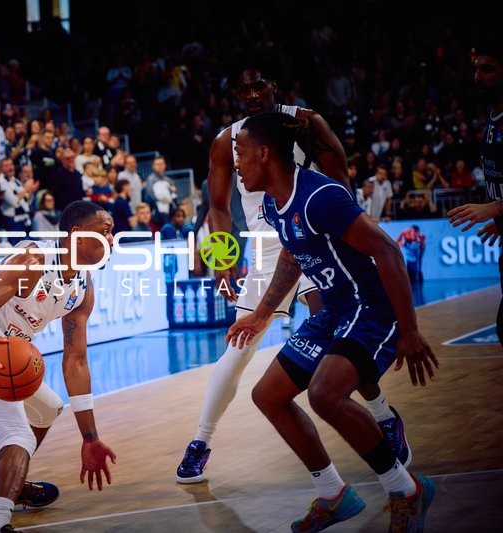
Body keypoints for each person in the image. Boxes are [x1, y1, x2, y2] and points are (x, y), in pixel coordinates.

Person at [176, 68, 411, 486]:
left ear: (274, 88)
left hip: (315, 236)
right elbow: (217, 207)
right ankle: (200, 440)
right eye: (242, 88)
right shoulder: (226, 140)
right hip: (270, 251)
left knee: (340, 333)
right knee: (237, 348)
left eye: (257, 86)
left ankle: (382, 416)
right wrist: (220, 256)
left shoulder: (303, 123)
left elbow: (341, 182)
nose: (250, 94)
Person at [230, 111, 438, 531]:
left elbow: (388, 251)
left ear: (265, 153)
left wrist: (410, 330)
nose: (236, 162)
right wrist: (262, 313)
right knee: (268, 395)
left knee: (325, 395)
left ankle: (407, 490)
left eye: (240, 152)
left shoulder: (319, 196)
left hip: (368, 306)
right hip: (334, 310)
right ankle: (333, 494)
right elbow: (292, 255)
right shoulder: (273, 201)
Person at [0, 201, 117, 533]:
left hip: (6, 351)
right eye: (105, 231)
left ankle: (8, 485)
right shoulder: (32, 262)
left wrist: (90, 438)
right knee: (18, 433)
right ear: (77, 235)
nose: (112, 239)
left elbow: (75, 361)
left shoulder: (82, 289)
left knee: (48, 409)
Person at [448, 44, 503, 346]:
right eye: (476, 69)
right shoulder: (491, 117)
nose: (477, 76)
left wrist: (495, 207)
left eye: (488, 69)